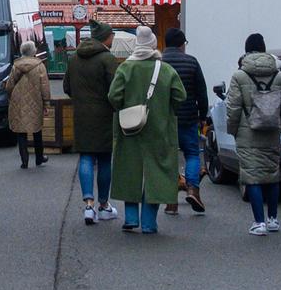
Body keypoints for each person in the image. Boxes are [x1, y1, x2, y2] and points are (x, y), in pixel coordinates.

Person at [107, 26, 185, 233]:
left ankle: (131, 218)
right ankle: (149, 222)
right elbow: (180, 96)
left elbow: (113, 97)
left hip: (129, 129)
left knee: (129, 171)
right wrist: (164, 111)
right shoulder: (166, 70)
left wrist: (126, 107)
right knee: (156, 173)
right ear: (152, 45)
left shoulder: (125, 68)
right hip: (159, 129)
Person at [225, 32, 281, 235]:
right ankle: (273, 219)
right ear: (264, 49)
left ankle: (259, 222)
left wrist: (233, 129)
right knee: (272, 173)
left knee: (252, 175)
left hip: (248, 132)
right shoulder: (279, 75)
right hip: (272, 130)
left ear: (246, 50)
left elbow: (234, 108)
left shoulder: (240, 76)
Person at [63, 20, 119, 224]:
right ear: (106, 37)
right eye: (112, 35)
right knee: (104, 159)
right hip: (104, 115)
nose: (113, 38)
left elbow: (67, 86)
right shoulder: (107, 59)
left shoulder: (75, 58)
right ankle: (104, 205)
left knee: (86, 156)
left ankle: (88, 204)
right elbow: (116, 90)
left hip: (81, 114)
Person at [161, 26, 210, 216]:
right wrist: (202, 116)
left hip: (165, 120)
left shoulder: (160, 63)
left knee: (169, 157)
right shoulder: (192, 62)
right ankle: (192, 190)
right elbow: (202, 93)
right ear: (182, 44)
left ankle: (170, 202)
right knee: (191, 154)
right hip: (189, 117)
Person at [6, 40, 52, 168]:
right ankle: (39, 158)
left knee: (21, 131)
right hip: (35, 101)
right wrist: (46, 103)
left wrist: (11, 96)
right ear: (34, 51)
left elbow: (9, 85)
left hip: (18, 101)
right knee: (37, 130)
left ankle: (24, 161)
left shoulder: (16, 66)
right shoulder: (39, 66)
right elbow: (44, 87)